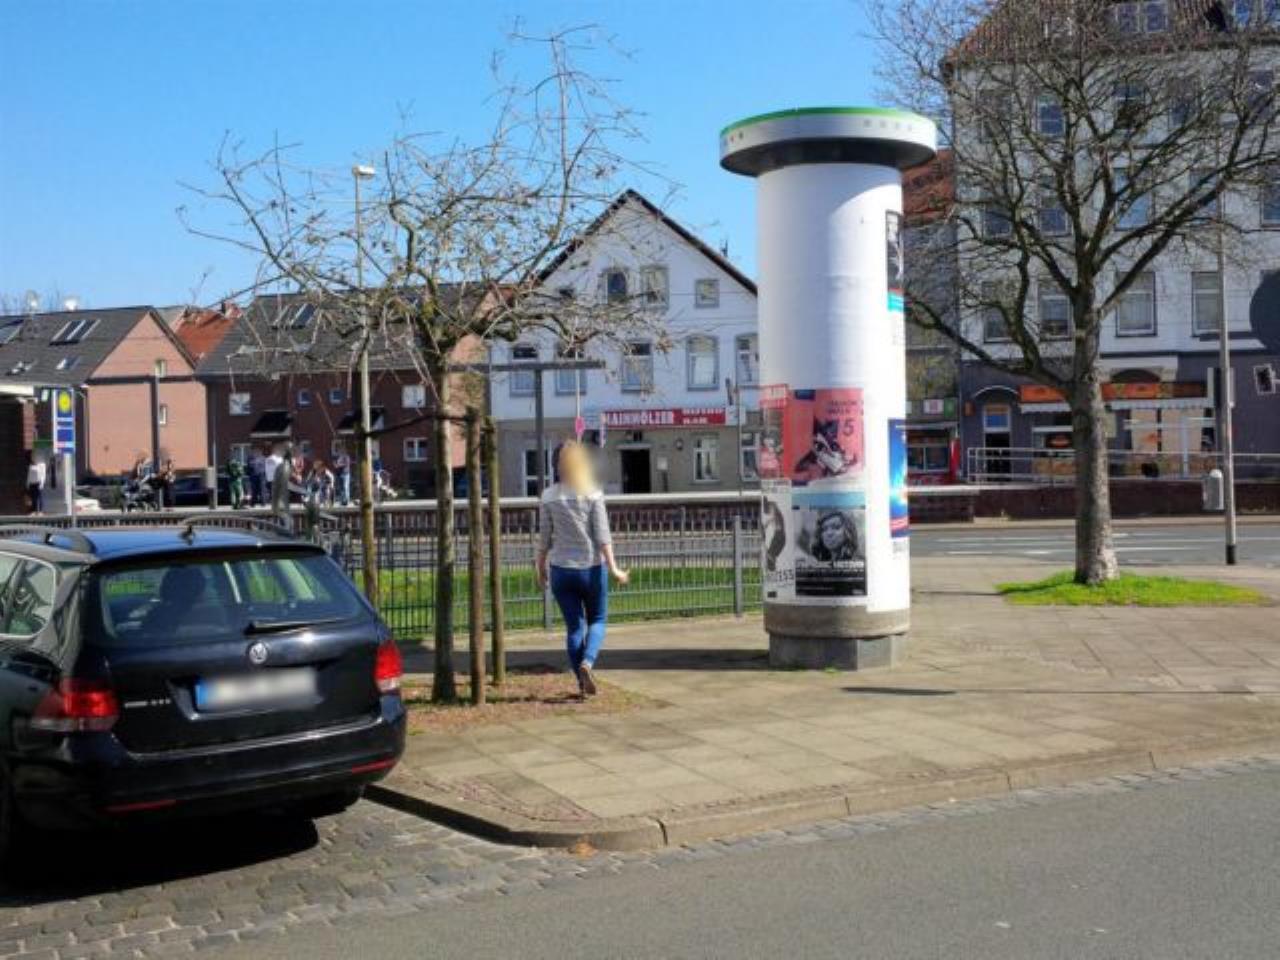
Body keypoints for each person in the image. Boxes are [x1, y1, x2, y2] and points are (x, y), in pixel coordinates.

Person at [535, 442, 629, 698]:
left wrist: (540, 567)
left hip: (561, 571)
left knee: (575, 629)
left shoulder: (548, 496)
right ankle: (588, 662)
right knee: (597, 620)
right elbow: (603, 537)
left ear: (557, 465)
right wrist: (615, 569)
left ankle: (580, 682)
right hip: (591, 569)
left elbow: (544, 539)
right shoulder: (593, 493)